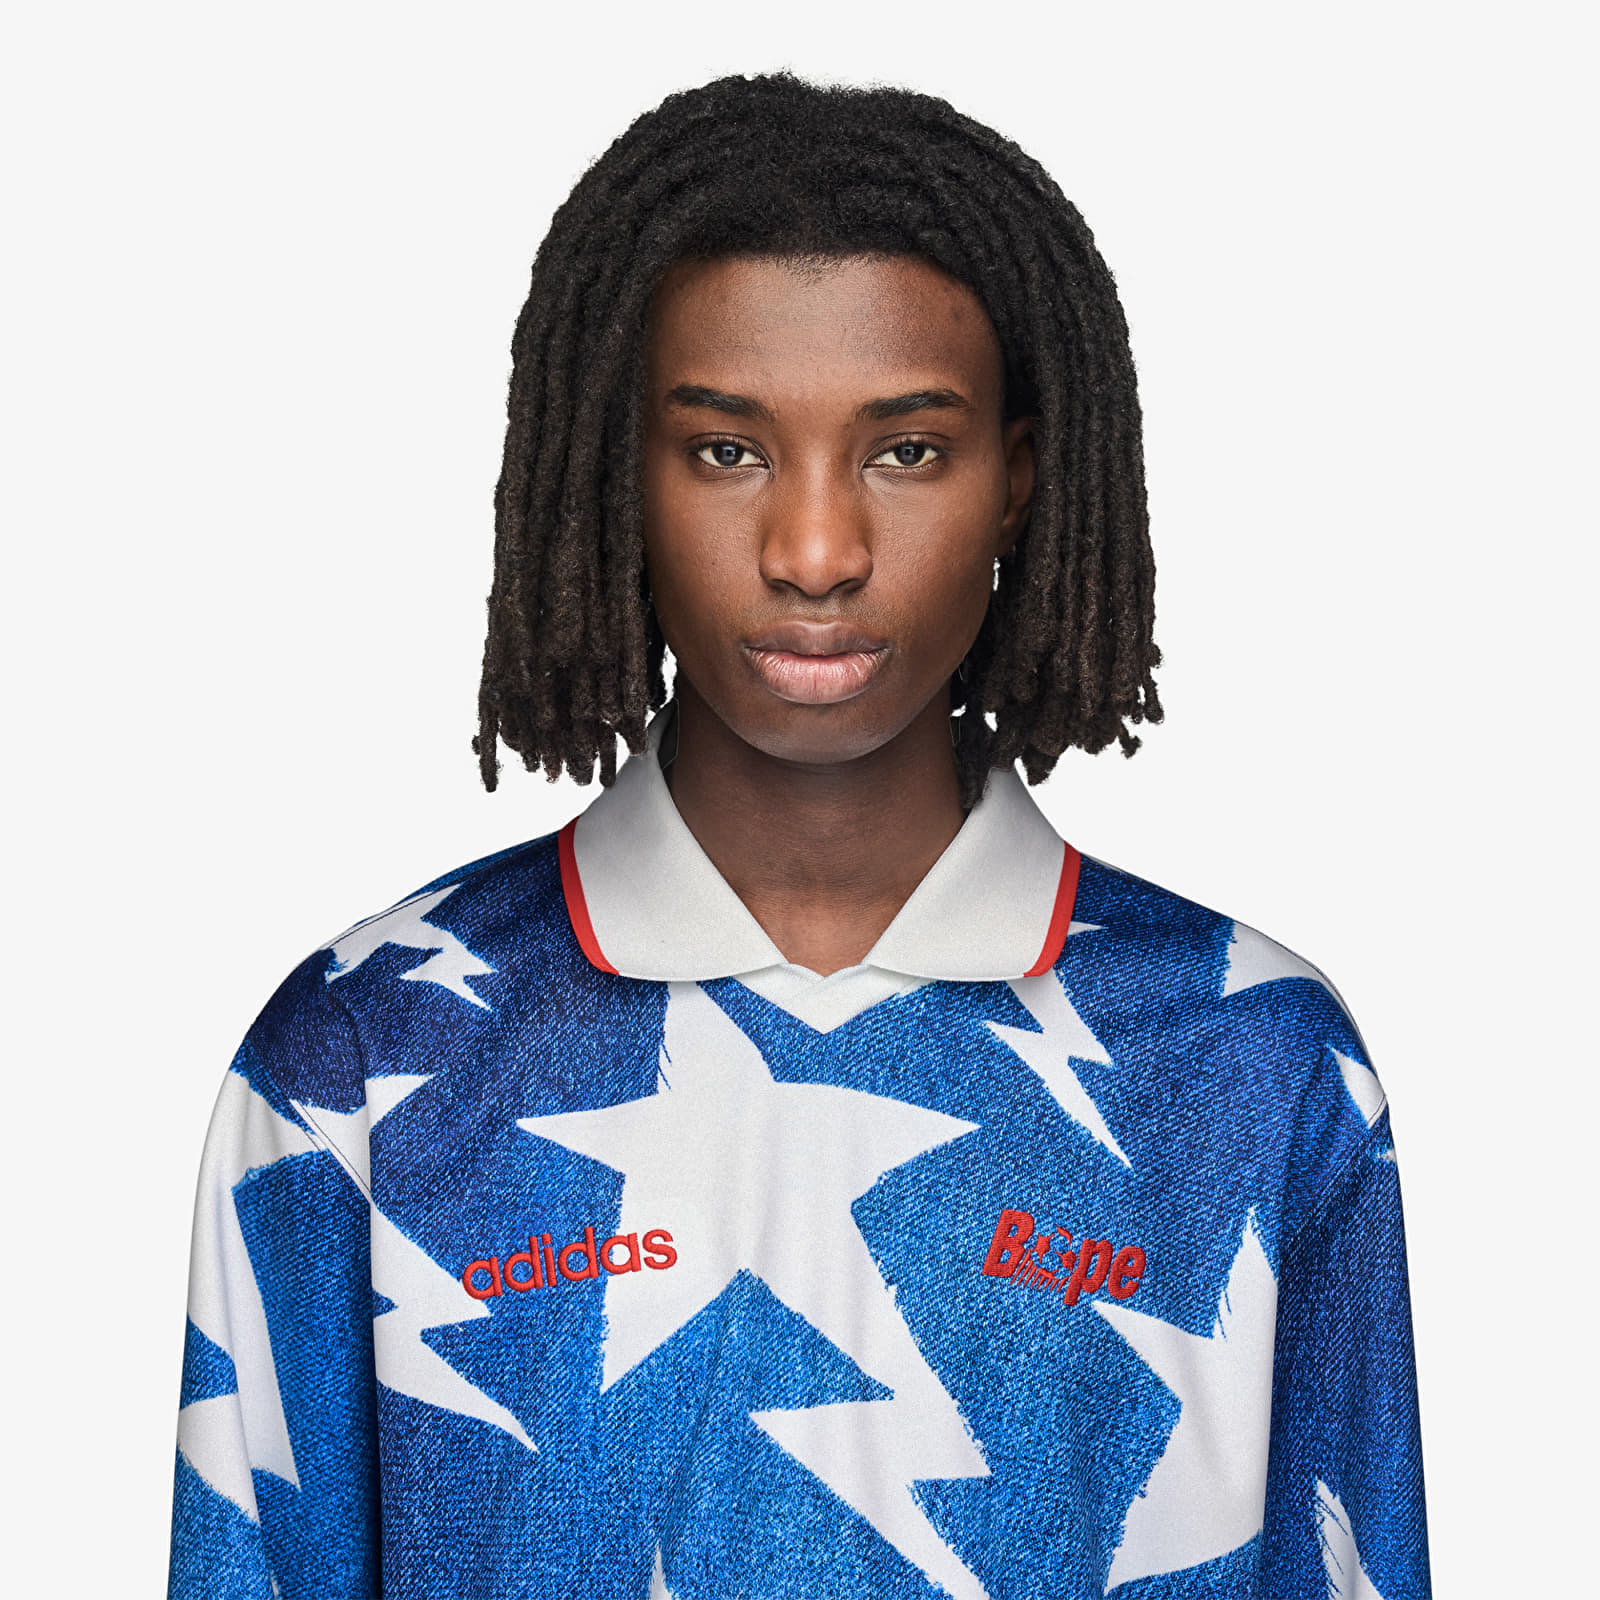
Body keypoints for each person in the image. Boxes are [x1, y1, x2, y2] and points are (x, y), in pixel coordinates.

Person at [167, 72, 1430, 1600]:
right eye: (726, 450)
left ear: (1019, 482)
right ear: (615, 475)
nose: (816, 552)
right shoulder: (364, 1058)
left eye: (907, 451)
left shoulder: (1252, 1062)